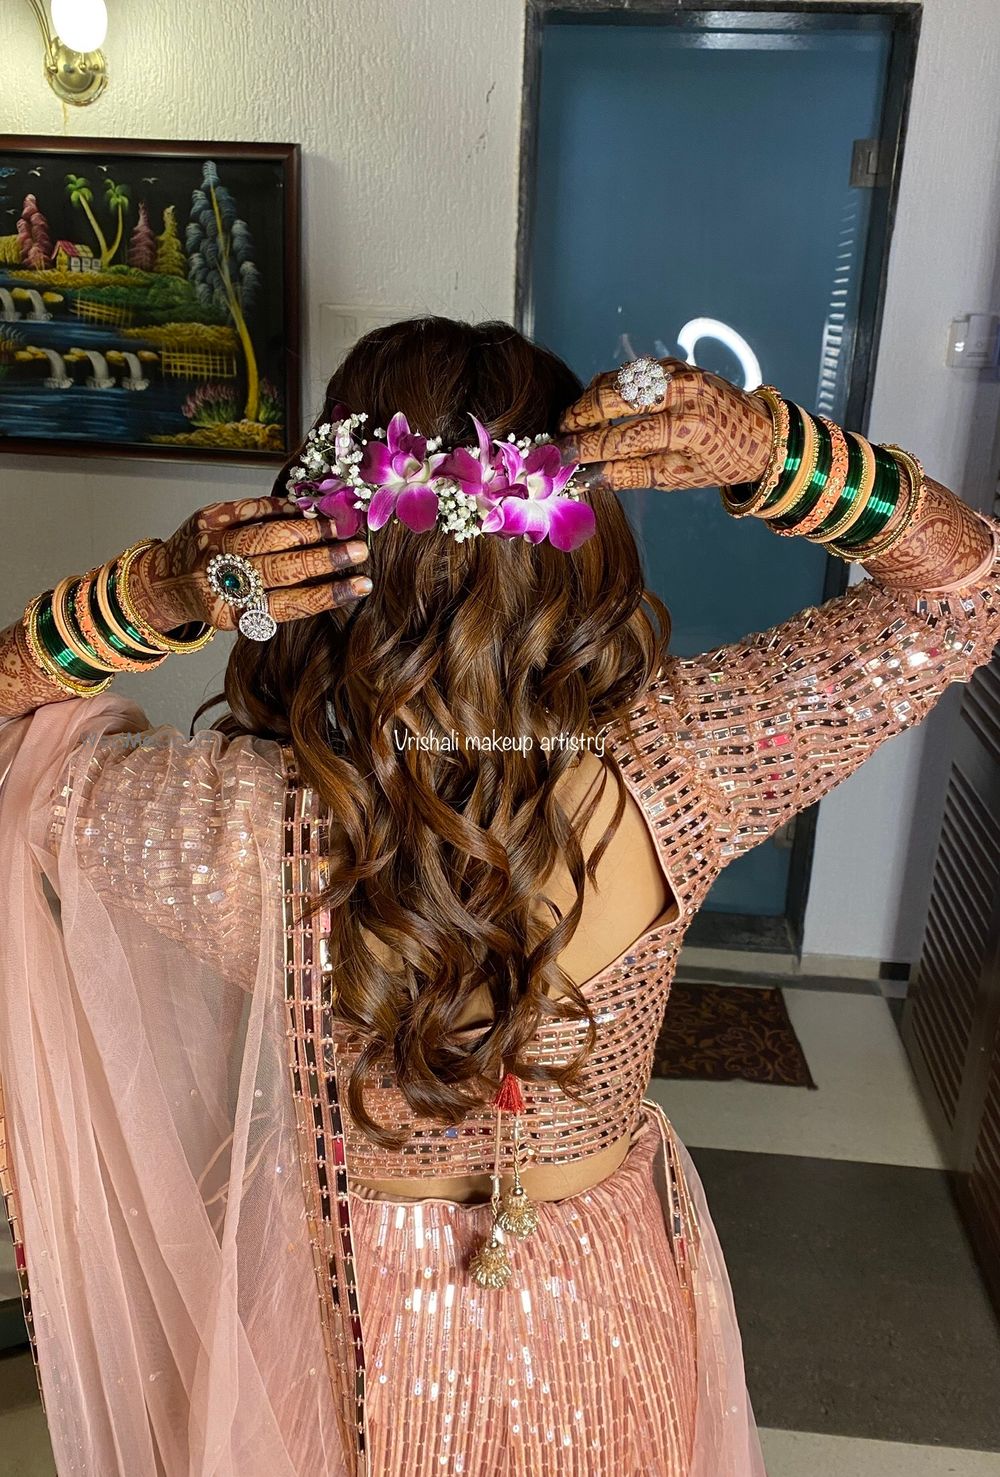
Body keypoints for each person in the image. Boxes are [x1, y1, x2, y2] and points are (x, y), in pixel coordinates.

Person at [0, 317, 997, 1477]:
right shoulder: (686, 763)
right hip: (598, 1299)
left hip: (329, 1308)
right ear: (581, 540)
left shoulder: (225, 822)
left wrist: (159, 594)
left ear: (322, 534)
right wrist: (779, 456)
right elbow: (960, 598)